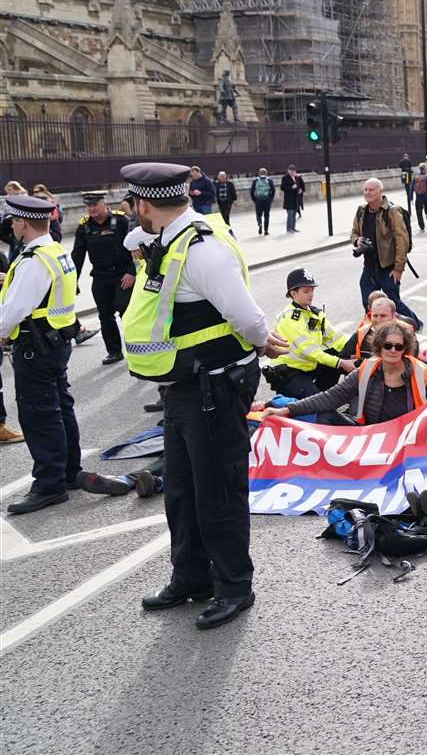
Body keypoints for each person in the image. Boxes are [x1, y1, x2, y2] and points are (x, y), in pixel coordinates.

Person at [119, 162, 286, 629]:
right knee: (182, 488)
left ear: (145, 204)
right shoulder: (169, 241)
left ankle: (234, 585)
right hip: (184, 385)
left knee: (217, 489)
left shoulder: (201, 250)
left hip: (214, 385)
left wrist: (258, 340)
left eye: (134, 205)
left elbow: (248, 317)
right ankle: (190, 576)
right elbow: (137, 246)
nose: (132, 214)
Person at [0, 193, 129, 512]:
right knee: (59, 408)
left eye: (14, 222)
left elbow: (15, 309)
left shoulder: (33, 259)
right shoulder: (55, 251)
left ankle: (49, 483)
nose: (12, 227)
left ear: (21, 223)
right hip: (56, 343)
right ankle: (69, 472)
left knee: (39, 415)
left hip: (36, 346)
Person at [262, 319, 427, 425]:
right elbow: (330, 397)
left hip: (407, 438)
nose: (393, 350)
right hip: (369, 436)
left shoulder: (421, 374)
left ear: (405, 349)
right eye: (387, 345)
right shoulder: (366, 370)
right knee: (325, 415)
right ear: (379, 347)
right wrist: (287, 410)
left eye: (398, 346)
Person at [72, 190, 138, 365]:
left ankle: (136, 349)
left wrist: (132, 272)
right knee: (105, 316)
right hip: (101, 277)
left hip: (123, 275)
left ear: (104, 203)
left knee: (127, 312)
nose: (91, 209)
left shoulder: (122, 221)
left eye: (95, 205)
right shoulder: (84, 227)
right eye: (88, 206)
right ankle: (114, 351)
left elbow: (137, 249)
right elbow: (77, 256)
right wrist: (72, 281)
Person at [267, 268, 354, 400]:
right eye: (306, 291)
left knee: (341, 356)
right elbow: (312, 352)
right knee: (319, 405)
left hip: (307, 367)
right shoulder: (290, 319)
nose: (311, 294)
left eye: (312, 290)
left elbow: (337, 338)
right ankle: (319, 402)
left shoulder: (313, 313)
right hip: (289, 373)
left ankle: (324, 398)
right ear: (293, 293)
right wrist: (341, 363)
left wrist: (357, 346)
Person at [352, 177, 422, 330]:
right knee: (369, 304)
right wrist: (358, 241)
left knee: (393, 303)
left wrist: (398, 269)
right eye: (365, 190)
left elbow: (401, 241)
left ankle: (414, 325)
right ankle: (377, 332)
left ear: (380, 192)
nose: (367, 193)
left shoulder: (392, 211)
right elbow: (354, 233)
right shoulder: (361, 211)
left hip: (388, 268)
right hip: (369, 267)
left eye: (371, 190)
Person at [339, 292, 402, 361]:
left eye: (383, 316)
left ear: (393, 316)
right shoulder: (361, 334)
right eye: (375, 316)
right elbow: (343, 358)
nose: (378, 319)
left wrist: (360, 361)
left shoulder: (405, 336)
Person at [248, 167, 275, 235]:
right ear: (266, 173)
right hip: (267, 200)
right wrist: (271, 199)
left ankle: (260, 224)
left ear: (259, 173)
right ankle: (266, 231)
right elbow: (273, 190)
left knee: (258, 214)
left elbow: (252, 191)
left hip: (258, 200)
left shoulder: (255, 181)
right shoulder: (269, 180)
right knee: (267, 216)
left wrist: (254, 199)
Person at [412, 162, 427, 231]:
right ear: (425, 169)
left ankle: (421, 226)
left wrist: (411, 198)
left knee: (419, 212)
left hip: (418, 197)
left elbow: (412, 188)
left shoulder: (415, 178)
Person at [280, 165, 305, 233]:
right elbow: (282, 188)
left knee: (294, 214)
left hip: (296, 198)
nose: (292, 172)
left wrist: (301, 190)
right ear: (288, 171)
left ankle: (293, 227)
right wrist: (291, 187)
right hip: (289, 199)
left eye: (293, 171)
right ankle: (289, 228)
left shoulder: (297, 177)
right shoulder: (285, 178)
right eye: (290, 171)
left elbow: (302, 185)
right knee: (290, 213)